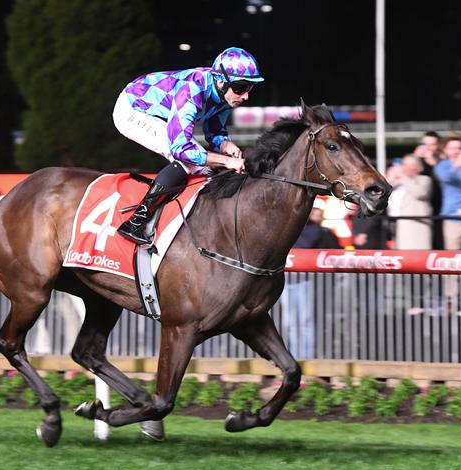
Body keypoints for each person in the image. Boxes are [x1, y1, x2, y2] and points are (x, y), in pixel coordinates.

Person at [113, 47, 263, 245]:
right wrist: (226, 161)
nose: (245, 96)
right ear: (221, 81)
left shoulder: (225, 95)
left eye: (249, 88)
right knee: (187, 162)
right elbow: (181, 149)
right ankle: (136, 221)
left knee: (207, 167)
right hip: (133, 110)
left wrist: (227, 146)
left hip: (161, 115)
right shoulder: (193, 90)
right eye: (240, 87)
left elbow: (215, 132)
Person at [284, 203, 341, 359]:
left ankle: (307, 358)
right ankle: (295, 358)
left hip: (304, 281)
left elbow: (304, 246)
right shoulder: (287, 226)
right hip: (286, 280)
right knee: (290, 325)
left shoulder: (315, 230)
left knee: (305, 322)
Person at [435, 136, 461, 250]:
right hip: (451, 217)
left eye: (459, 148)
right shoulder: (442, 165)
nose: (456, 151)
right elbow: (447, 178)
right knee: (452, 256)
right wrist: (458, 165)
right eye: (452, 148)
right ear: (445, 151)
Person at [387, 155, 433, 249]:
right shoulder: (398, 182)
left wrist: (403, 177)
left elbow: (420, 193)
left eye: (412, 165)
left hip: (417, 224)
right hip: (398, 223)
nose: (409, 168)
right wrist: (391, 177)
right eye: (406, 165)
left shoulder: (424, 179)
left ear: (419, 166)